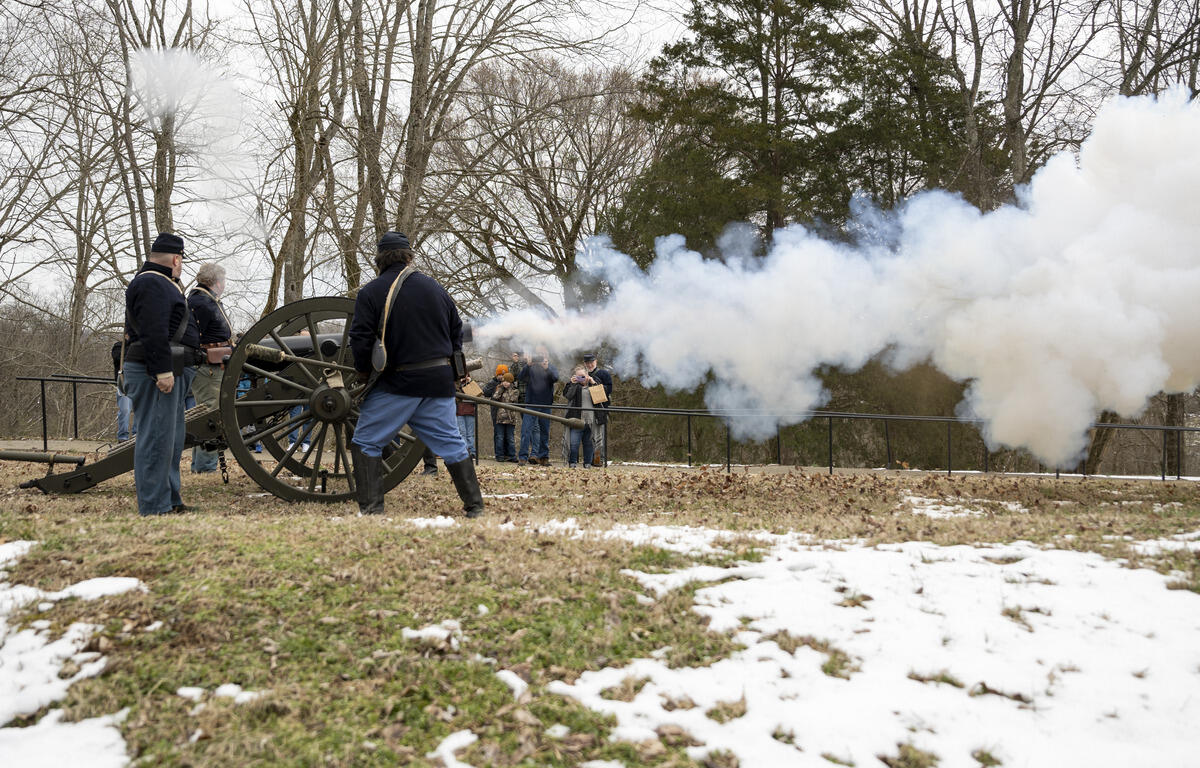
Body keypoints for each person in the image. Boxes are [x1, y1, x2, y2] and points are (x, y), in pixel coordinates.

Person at [348, 231, 482, 517]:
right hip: (438, 383)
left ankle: (372, 512)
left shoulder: (370, 292)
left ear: (379, 260)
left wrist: (362, 372)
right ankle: (475, 508)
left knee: (365, 441)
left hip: (399, 383)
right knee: (453, 445)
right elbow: (456, 331)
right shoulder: (435, 289)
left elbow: (360, 339)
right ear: (409, 257)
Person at [121, 232, 201, 516]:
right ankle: (155, 506)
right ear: (176, 259)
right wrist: (162, 370)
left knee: (169, 439)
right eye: (181, 261)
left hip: (169, 368)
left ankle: (170, 500)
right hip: (155, 370)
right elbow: (153, 330)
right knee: (156, 438)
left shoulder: (160, 282)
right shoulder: (152, 282)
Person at [187, 262, 233, 473]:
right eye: (222, 281)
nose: (224, 285)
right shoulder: (202, 303)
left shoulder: (205, 300)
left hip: (213, 366)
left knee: (206, 413)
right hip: (208, 367)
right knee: (211, 415)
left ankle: (200, 465)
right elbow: (196, 338)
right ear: (216, 282)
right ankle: (205, 467)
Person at [517, 350, 558, 466]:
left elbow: (555, 378)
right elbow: (520, 378)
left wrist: (546, 368)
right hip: (531, 404)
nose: (541, 357)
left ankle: (543, 457)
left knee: (545, 432)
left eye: (544, 355)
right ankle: (523, 457)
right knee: (526, 431)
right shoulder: (530, 367)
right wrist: (528, 365)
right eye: (539, 355)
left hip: (545, 405)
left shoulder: (551, 367)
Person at [583, 352, 613, 466]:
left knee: (599, 436)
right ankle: (589, 459)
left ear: (596, 361)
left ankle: (598, 459)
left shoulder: (603, 373)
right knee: (588, 437)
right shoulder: (582, 373)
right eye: (587, 363)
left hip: (600, 409)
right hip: (586, 409)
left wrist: (594, 383)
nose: (589, 365)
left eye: (591, 362)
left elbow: (609, 389)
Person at [562, 365, 594, 468]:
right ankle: (572, 462)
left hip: (591, 420)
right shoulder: (573, 385)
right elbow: (568, 396)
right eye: (579, 376)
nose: (581, 378)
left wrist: (593, 383)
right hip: (577, 419)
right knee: (574, 443)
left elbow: (602, 398)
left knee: (589, 444)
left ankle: (588, 463)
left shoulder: (593, 384)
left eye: (583, 376)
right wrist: (573, 384)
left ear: (587, 375)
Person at [489, 371, 519, 461]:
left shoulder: (515, 391)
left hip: (510, 418)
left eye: (507, 381)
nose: (505, 383)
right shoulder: (499, 389)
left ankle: (512, 456)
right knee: (499, 437)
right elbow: (494, 397)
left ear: (511, 382)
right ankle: (499, 456)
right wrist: (501, 389)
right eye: (504, 381)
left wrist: (508, 389)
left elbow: (512, 399)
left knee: (510, 438)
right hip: (500, 418)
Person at [111, 342, 136, 442]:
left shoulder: (141, 345)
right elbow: (118, 358)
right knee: (125, 410)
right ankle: (122, 438)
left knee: (139, 411)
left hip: (138, 381)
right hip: (124, 381)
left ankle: (136, 435)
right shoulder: (118, 346)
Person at [455, 381, 477, 461]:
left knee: (470, 434)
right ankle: (465, 451)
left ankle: (472, 452)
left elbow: (477, 394)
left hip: (470, 411)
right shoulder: (456, 384)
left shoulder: (470, 383)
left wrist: (470, 382)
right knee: (462, 433)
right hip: (459, 412)